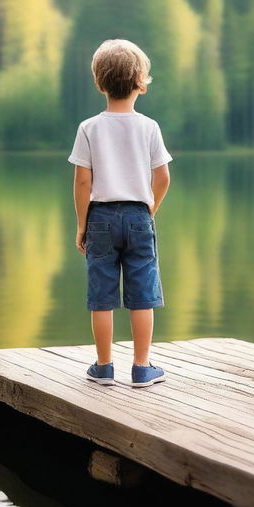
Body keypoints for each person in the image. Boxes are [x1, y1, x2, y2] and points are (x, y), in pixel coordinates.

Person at [67, 38, 173, 387]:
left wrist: (82, 225)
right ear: (141, 83)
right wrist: (150, 208)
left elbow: (83, 183)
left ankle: (104, 366)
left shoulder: (89, 128)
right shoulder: (149, 127)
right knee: (143, 293)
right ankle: (142, 367)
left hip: (99, 217)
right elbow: (163, 177)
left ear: (99, 83)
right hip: (139, 217)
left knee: (102, 295)